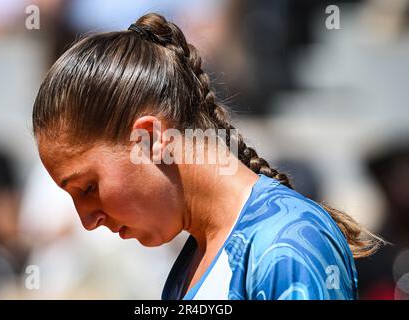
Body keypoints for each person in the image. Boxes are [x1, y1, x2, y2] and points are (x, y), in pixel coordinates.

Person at [32, 12, 383, 300]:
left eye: (88, 187)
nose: (87, 221)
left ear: (150, 139)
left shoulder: (285, 245)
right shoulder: (196, 255)